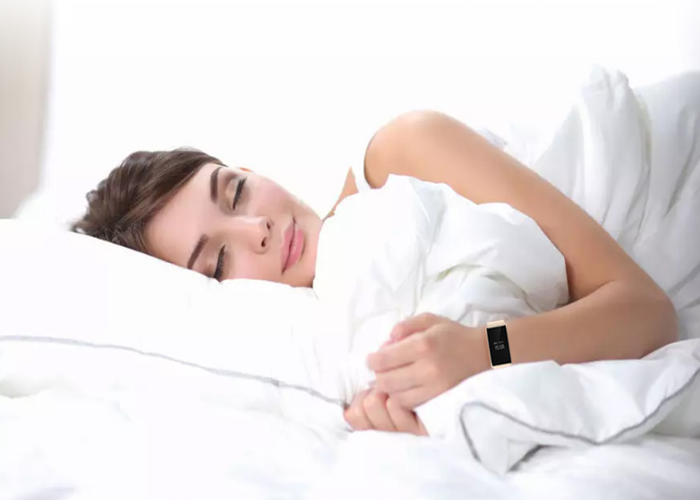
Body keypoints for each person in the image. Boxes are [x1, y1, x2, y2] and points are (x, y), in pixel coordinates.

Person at [72, 110, 677, 437]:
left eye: (235, 191)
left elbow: (645, 310)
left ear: (250, 170)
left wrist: (483, 351)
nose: (257, 227)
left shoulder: (401, 154)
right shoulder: (338, 348)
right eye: (220, 261)